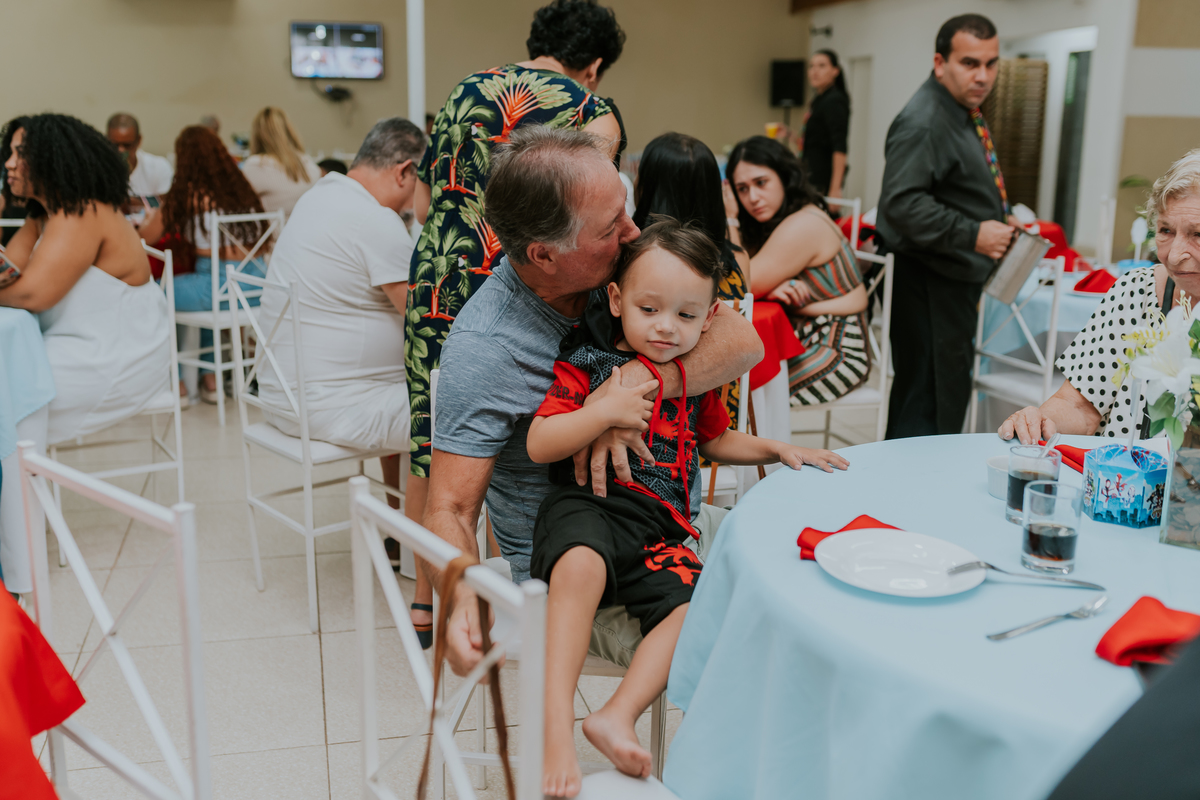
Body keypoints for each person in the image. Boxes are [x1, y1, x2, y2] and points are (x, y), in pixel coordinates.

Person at [527, 219, 848, 794]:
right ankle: (555, 729)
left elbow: (714, 440)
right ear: (617, 299)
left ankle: (616, 715)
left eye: (685, 314)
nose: (666, 327)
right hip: (590, 505)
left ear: (709, 316)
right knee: (580, 563)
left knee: (694, 610)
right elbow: (539, 442)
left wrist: (776, 448)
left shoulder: (693, 379)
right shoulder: (588, 363)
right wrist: (602, 412)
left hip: (662, 528)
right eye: (649, 309)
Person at [404, 0, 626, 637]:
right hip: (534, 267)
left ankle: (431, 601)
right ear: (594, 64)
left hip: (448, 270)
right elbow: (596, 203)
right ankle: (513, 574)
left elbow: (424, 201)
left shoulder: (466, 90)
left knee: (437, 443)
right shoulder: (590, 110)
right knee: (497, 426)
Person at [256, 118, 424, 621]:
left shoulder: (320, 198)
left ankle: (398, 525)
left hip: (284, 394)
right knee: (455, 413)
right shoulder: (374, 220)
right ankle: (426, 556)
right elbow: (423, 318)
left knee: (407, 387)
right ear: (404, 171)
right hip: (333, 405)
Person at [999, 149, 1200, 444]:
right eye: (1166, 230)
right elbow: (1080, 407)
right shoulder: (1136, 291)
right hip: (1117, 472)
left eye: (1198, 235)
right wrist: (1040, 421)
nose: (1173, 255)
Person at [878, 13, 1016, 439]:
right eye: (970, 63)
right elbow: (901, 205)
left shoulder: (959, 107)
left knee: (942, 394)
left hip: (948, 278)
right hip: (927, 281)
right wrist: (974, 232)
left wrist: (998, 214)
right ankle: (908, 482)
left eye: (991, 63)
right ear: (940, 63)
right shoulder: (925, 119)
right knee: (928, 401)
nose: (983, 76)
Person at [0, 114, 170, 445]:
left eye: (20, 154)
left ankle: (22, 473)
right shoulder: (42, 215)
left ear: (50, 159)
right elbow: (11, 273)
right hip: (71, 344)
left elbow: (31, 295)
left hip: (116, 359)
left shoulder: (82, 213)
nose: (8, 163)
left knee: (9, 384)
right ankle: (22, 472)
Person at [728, 136, 870, 404]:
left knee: (738, 391)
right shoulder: (779, 220)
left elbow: (739, 285)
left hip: (836, 351)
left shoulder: (804, 223)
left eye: (761, 183)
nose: (753, 197)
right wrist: (770, 289)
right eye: (742, 189)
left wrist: (731, 220)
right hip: (800, 339)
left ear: (784, 178)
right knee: (732, 381)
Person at [137, 126, 268, 403]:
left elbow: (146, 237)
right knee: (202, 293)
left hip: (218, 287)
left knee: (154, 292)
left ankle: (175, 381)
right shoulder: (241, 190)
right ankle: (211, 380)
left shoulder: (189, 194)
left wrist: (148, 219)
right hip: (256, 287)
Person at [632, 131, 749, 425]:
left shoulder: (632, 260)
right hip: (722, 417)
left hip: (649, 419)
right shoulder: (738, 260)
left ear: (647, 187)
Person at [241, 107, 321, 217]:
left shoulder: (257, 165)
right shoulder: (309, 164)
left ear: (257, 135)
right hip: (305, 227)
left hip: (274, 228)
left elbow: (238, 204)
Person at [801, 49, 851, 200]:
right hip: (811, 173)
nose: (815, 71)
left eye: (821, 66)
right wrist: (789, 134)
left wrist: (835, 188)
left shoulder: (834, 100)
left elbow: (839, 146)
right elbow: (814, 142)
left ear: (835, 71)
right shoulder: (819, 99)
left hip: (822, 179)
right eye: (812, 66)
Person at [106, 112, 173, 199]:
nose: (121, 150)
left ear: (138, 140)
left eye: (127, 145)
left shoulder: (159, 167)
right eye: (114, 145)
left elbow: (166, 201)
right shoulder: (98, 170)